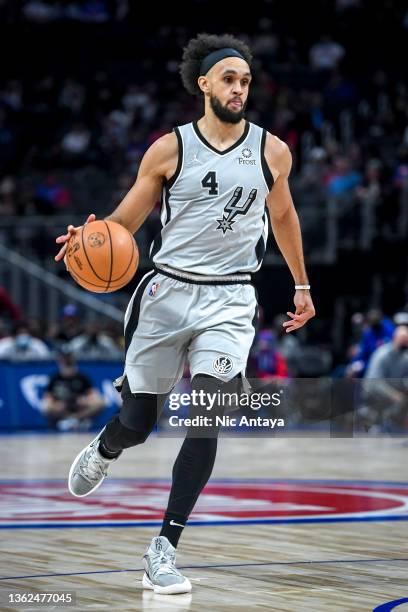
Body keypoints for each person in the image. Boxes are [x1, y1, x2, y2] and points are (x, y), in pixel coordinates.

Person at [55, 33, 315, 595]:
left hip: (231, 297)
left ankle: (164, 547)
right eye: (229, 79)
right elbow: (124, 221)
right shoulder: (169, 149)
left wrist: (301, 283)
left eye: (245, 81)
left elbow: (286, 216)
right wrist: (91, 236)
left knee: (206, 415)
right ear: (204, 84)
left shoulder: (273, 151)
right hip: (167, 294)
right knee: (140, 422)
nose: (239, 89)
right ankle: (107, 446)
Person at [43, 348, 106, 431]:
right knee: (46, 406)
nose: (67, 361)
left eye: (69, 358)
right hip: (63, 408)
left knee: (100, 402)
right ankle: (66, 421)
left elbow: (93, 394)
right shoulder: (54, 378)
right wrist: (57, 404)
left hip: (79, 408)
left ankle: (78, 420)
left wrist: (84, 401)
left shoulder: (82, 377)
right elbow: (48, 397)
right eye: (65, 359)